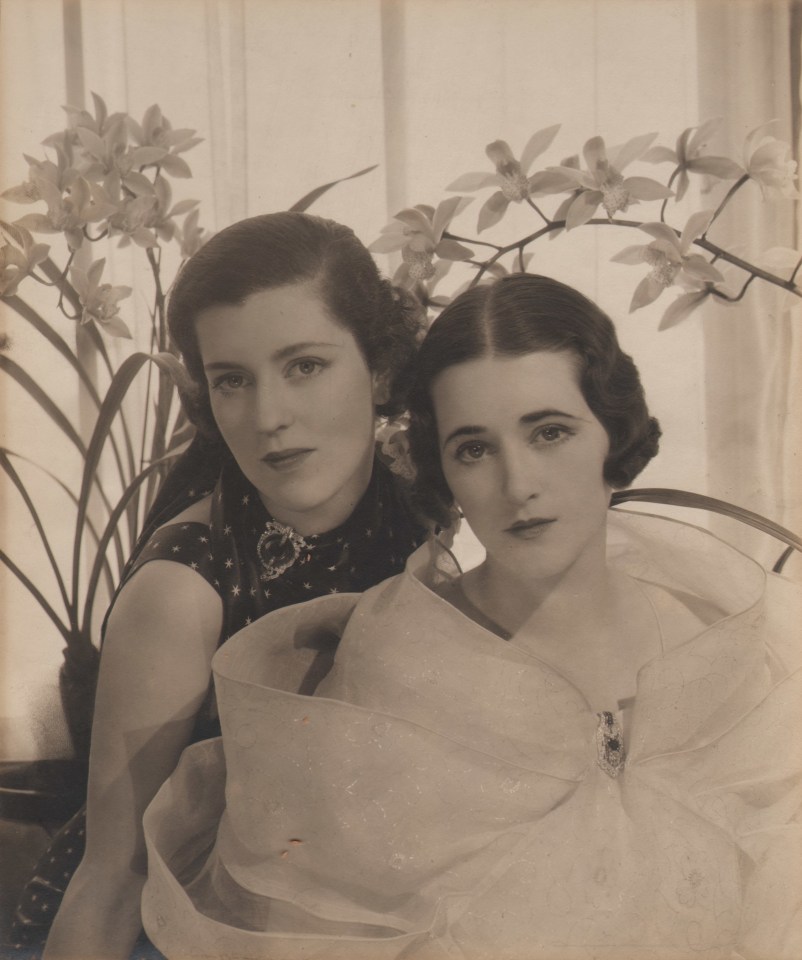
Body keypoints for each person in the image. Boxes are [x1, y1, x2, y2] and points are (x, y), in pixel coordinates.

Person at [141, 274, 801, 959]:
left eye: (549, 432)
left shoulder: (722, 636)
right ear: (441, 469)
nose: (519, 485)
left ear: (613, 433)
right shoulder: (391, 667)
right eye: (474, 449)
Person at [12, 212, 427, 960]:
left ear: (382, 369)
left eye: (304, 365)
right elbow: (111, 878)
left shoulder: (425, 523)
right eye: (232, 381)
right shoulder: (181, 592)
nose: (268, 417)